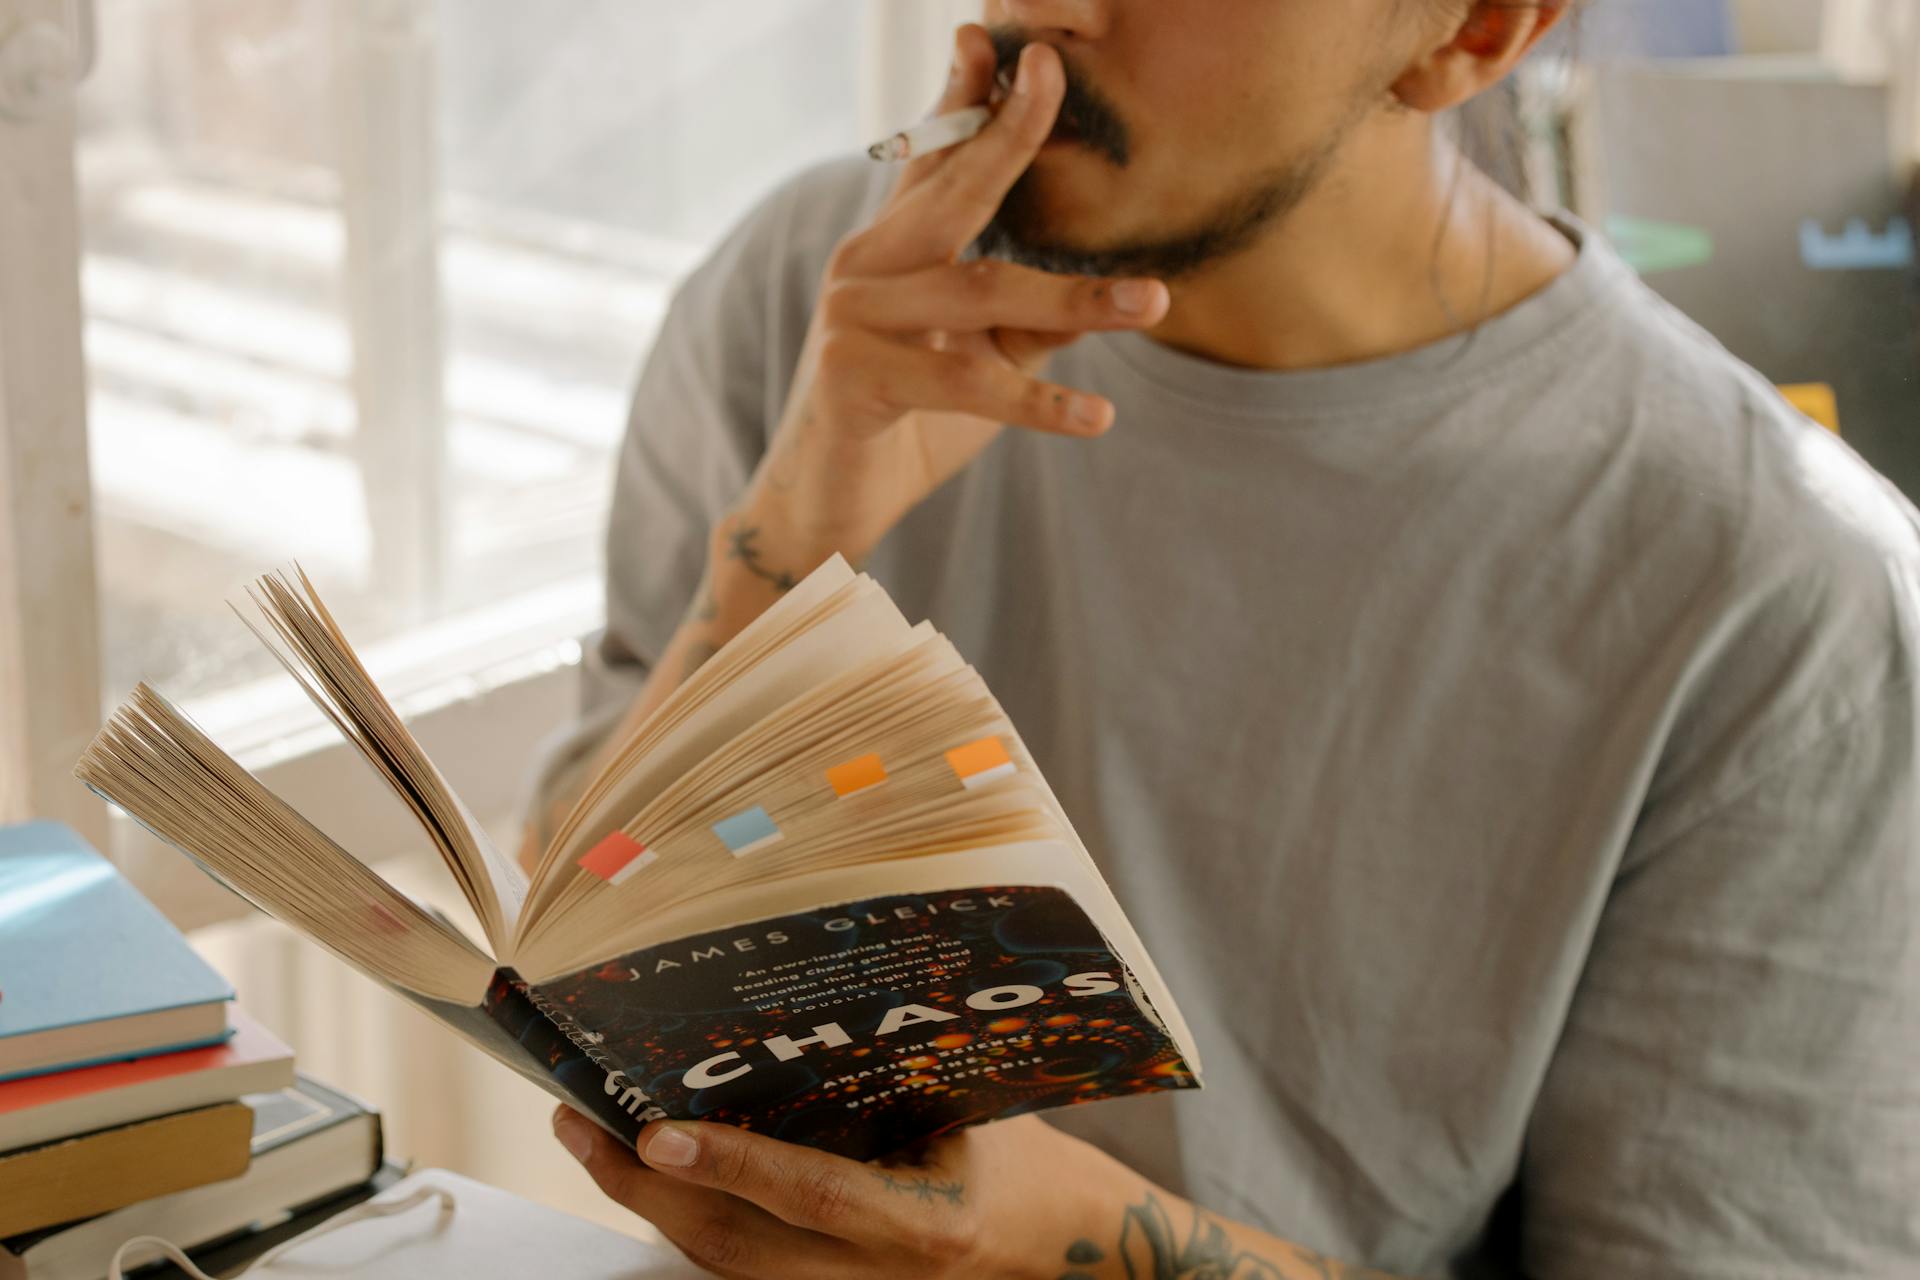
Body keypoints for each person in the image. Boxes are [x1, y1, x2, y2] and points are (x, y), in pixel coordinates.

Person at [524, 2, 1920, 1276]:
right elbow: (578, 922)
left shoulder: (1783, 606)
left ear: (1474, 31)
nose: (1033, 13)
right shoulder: (826, 290)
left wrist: (1051, 1246)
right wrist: (798, 524)